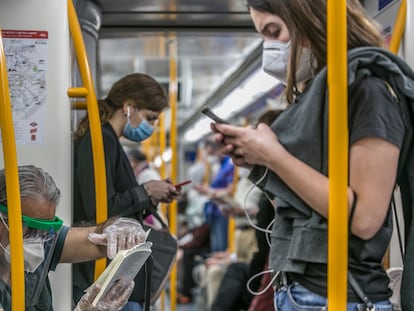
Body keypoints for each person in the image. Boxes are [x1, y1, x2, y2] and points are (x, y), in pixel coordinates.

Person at [211, 0, 414, 310]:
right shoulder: (317, 98)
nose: (270, 47)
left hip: (338, 295)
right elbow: (308, 204)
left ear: (309, 20)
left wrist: (275, 157)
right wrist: (260, 161)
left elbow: (364, 220)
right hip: (298, 289)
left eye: (274, 31)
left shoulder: (369, 91)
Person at [72, 73, 182, 309]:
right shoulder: (100, 139)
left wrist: (152, 194)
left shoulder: (109, 140)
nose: (151, 127)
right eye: (151, 118)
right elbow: (100, 209)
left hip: (112, 267)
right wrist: (146, 190)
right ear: (129, 107)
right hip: (101, 267)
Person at [0, 165, 147, 311]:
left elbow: (95, 238)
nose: (37, 241)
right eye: (29, 229)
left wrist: (117, 228)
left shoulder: (42, 240)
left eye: (45, 231)